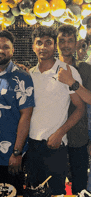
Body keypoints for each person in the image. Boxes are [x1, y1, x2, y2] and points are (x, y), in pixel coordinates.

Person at [26, 26, 85, 195]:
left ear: (54, 46)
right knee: (33, 191)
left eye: (48, 43)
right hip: (32, 144)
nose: (43, 47)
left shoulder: (67, 71)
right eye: (39, 43)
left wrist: (60, 133)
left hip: (55, 145)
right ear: (33, 47)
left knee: (55, 192)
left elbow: (80, 109)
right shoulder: (30, 74)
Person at [0, 30, 34, 195]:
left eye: (6, 47)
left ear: (12, 51)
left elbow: (26, 116)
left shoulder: (22, 77)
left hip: (11, 155)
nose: (0, 50)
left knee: (13, 192)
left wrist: (17, 152)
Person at [57, 24, 91, 194]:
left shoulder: (85, 69)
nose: (66, 45)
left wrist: (72, 82)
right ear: (57, 44)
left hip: (79, 137)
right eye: (62, 41)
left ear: (76, 43)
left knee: (79, 188)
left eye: (70, 41)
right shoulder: (48, 68)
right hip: (54, 137)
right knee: (55, 187)